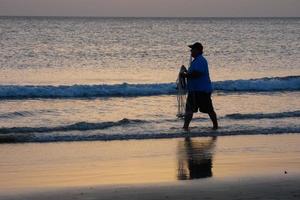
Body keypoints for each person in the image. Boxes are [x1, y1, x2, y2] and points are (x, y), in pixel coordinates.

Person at [180, 42, 218, 131]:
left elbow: (197, 74)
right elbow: (193, 73)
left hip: (201, 90)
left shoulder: (200, 60)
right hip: (194, 90)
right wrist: (186, 72)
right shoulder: (197, 61)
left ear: (197, 50)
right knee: (189, 109)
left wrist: (185, 75)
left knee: (209, 109)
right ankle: (185, 127)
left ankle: (215, 126)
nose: (191, 51)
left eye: (192, 49)